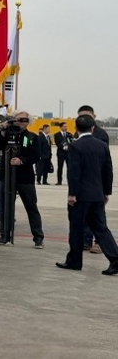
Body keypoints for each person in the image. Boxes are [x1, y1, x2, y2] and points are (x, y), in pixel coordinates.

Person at [55, 114, 118, 275]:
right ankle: (115, 259)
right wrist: (106, 192)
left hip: (81, 196)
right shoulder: (102, 145)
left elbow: (74, 172)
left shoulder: (75, 146)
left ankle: (74, 261)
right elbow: (108, 171)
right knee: (101, 228)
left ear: (75, 128)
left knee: (76, 228)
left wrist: (72, 194)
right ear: (93, 128)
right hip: (97, 194)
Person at [0, 110, 45, 248]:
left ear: (28, 122)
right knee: (6, 207)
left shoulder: (32, 137)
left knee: (31, 207)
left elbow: (36, 156)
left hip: (25, 177)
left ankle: (38, 237)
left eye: (24, 120)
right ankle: (5, 235)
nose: (20, 122)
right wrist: (3, 131)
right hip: (7, 175)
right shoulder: (7, 134)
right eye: (18, 119)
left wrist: (22, 160)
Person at [78, 105, 109, 254]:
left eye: (87, 116)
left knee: (98, 214)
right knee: (83, 212)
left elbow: (105, 162)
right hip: (82, 181)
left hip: (97, 180)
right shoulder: (78, 133)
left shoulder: (101, 134)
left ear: (94, 116)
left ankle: (99, 242)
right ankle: (86, 240)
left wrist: (106, 189)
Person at [54, 122, 74, 186]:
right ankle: (59, 181)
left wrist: (69, 147)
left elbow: (71, 142)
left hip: (68, 153)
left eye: (66, 126)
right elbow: (57, 143)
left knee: (69, 168)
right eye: (64, 126)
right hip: (61, 153)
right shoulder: (57, 135)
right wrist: (63, 147)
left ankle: (70, 181)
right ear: (61, 127)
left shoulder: (69, 134)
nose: (66, 128)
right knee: (60, 167)